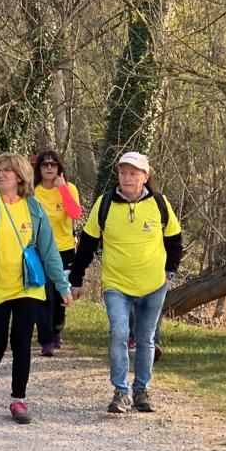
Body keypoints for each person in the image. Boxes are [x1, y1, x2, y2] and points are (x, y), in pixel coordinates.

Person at [0, 153, 72, 424]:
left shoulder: (34, 209)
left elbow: (49, 251)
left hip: (27, 288)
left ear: (21, 177)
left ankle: (18, 399)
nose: (1, 175)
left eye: (7, 171)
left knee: (21, 341)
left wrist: (62, 285)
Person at [69, 152, 182, 414]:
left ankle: (141, 390)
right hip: (116, 285)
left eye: (133, 173)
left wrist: (170, 273)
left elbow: (174, 240)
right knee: (119, 333)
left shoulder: (159, 203)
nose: (127, 178)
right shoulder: (105, 203)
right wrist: (76, 278)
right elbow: (87, 244)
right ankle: (121, 392)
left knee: (145, 339)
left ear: (145, 176)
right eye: (123, 172)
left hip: (154, 284)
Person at [32, 150, 82, 356]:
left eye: (53, 164)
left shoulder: (69, 188)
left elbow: (75, 213)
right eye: (45, 164)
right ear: (39, 168)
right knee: (44, 295)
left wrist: (62, 188)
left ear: (59, 168)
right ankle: (45, 339)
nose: (49, 168)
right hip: (40, 251)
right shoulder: (33, 191)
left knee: (61, 295)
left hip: (64, 250)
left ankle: (56, 330)